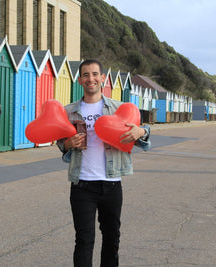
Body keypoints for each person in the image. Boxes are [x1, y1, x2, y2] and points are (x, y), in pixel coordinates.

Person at [57, 59, 151, 267]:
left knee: (112, 239)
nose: (91, 79)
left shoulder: (119, 108)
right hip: (82, 184)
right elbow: (61, 143)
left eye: (95, 74)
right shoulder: (68, 111)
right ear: (80, 80)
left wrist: (141, 131)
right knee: (84, 240)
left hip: (111, 183)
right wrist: (67, 144)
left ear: (102, 78)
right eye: (86, 75)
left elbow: (144, 138)